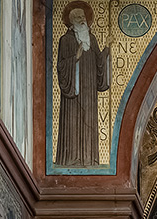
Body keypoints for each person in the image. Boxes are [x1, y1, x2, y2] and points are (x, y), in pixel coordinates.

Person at [55, 1, 111, 167]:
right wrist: (76, 58)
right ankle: (72, 158)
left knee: (89, 121)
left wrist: (107, 47)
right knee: (73, 121)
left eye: (83, 17)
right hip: (74, 91)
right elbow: (61, 66)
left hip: (89, 90)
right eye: (77, 17)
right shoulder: (65, 40)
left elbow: (99, 61)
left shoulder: (92, 39)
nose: (81, 19)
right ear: (71, 21)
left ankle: (89, 158)